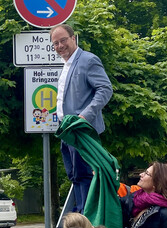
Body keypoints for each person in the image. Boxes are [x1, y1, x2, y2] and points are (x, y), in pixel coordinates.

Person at [50, 23, 113, 213]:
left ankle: (86, 219)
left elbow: (105, 89)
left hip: (82, 131)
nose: (60, 46)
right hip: (67, 131)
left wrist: (85, 116)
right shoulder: (66, 65)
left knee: (84, 175)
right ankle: (81, 215)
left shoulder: (88, 60)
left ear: (73, 38)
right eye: (55, 43)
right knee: (74, 175)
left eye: (63, 40)